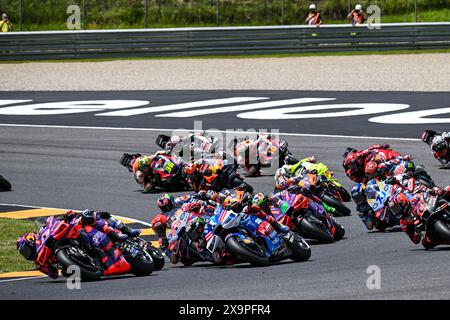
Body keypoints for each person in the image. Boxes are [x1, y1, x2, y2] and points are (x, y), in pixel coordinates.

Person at [17, 210, 131, 279]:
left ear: (32, 240)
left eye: (26, 250)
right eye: (25, 253)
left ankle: (118, 231)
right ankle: (93, 263)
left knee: (87, 217)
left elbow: (53, 223)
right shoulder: (39, 263)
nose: (27, 254)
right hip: (73, 261)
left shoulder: (43, 233)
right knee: (68, 274)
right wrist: (49, 267)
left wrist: (67, 217)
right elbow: (54, 274)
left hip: (72, 233)